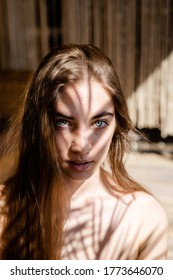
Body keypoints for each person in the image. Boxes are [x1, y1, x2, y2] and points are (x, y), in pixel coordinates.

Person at [0, 44, 168, 260]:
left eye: (99, 123)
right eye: (63, 122)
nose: (81, 146)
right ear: (39, 125)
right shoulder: (5, 211)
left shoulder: (144, 220)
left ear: (117, 124)